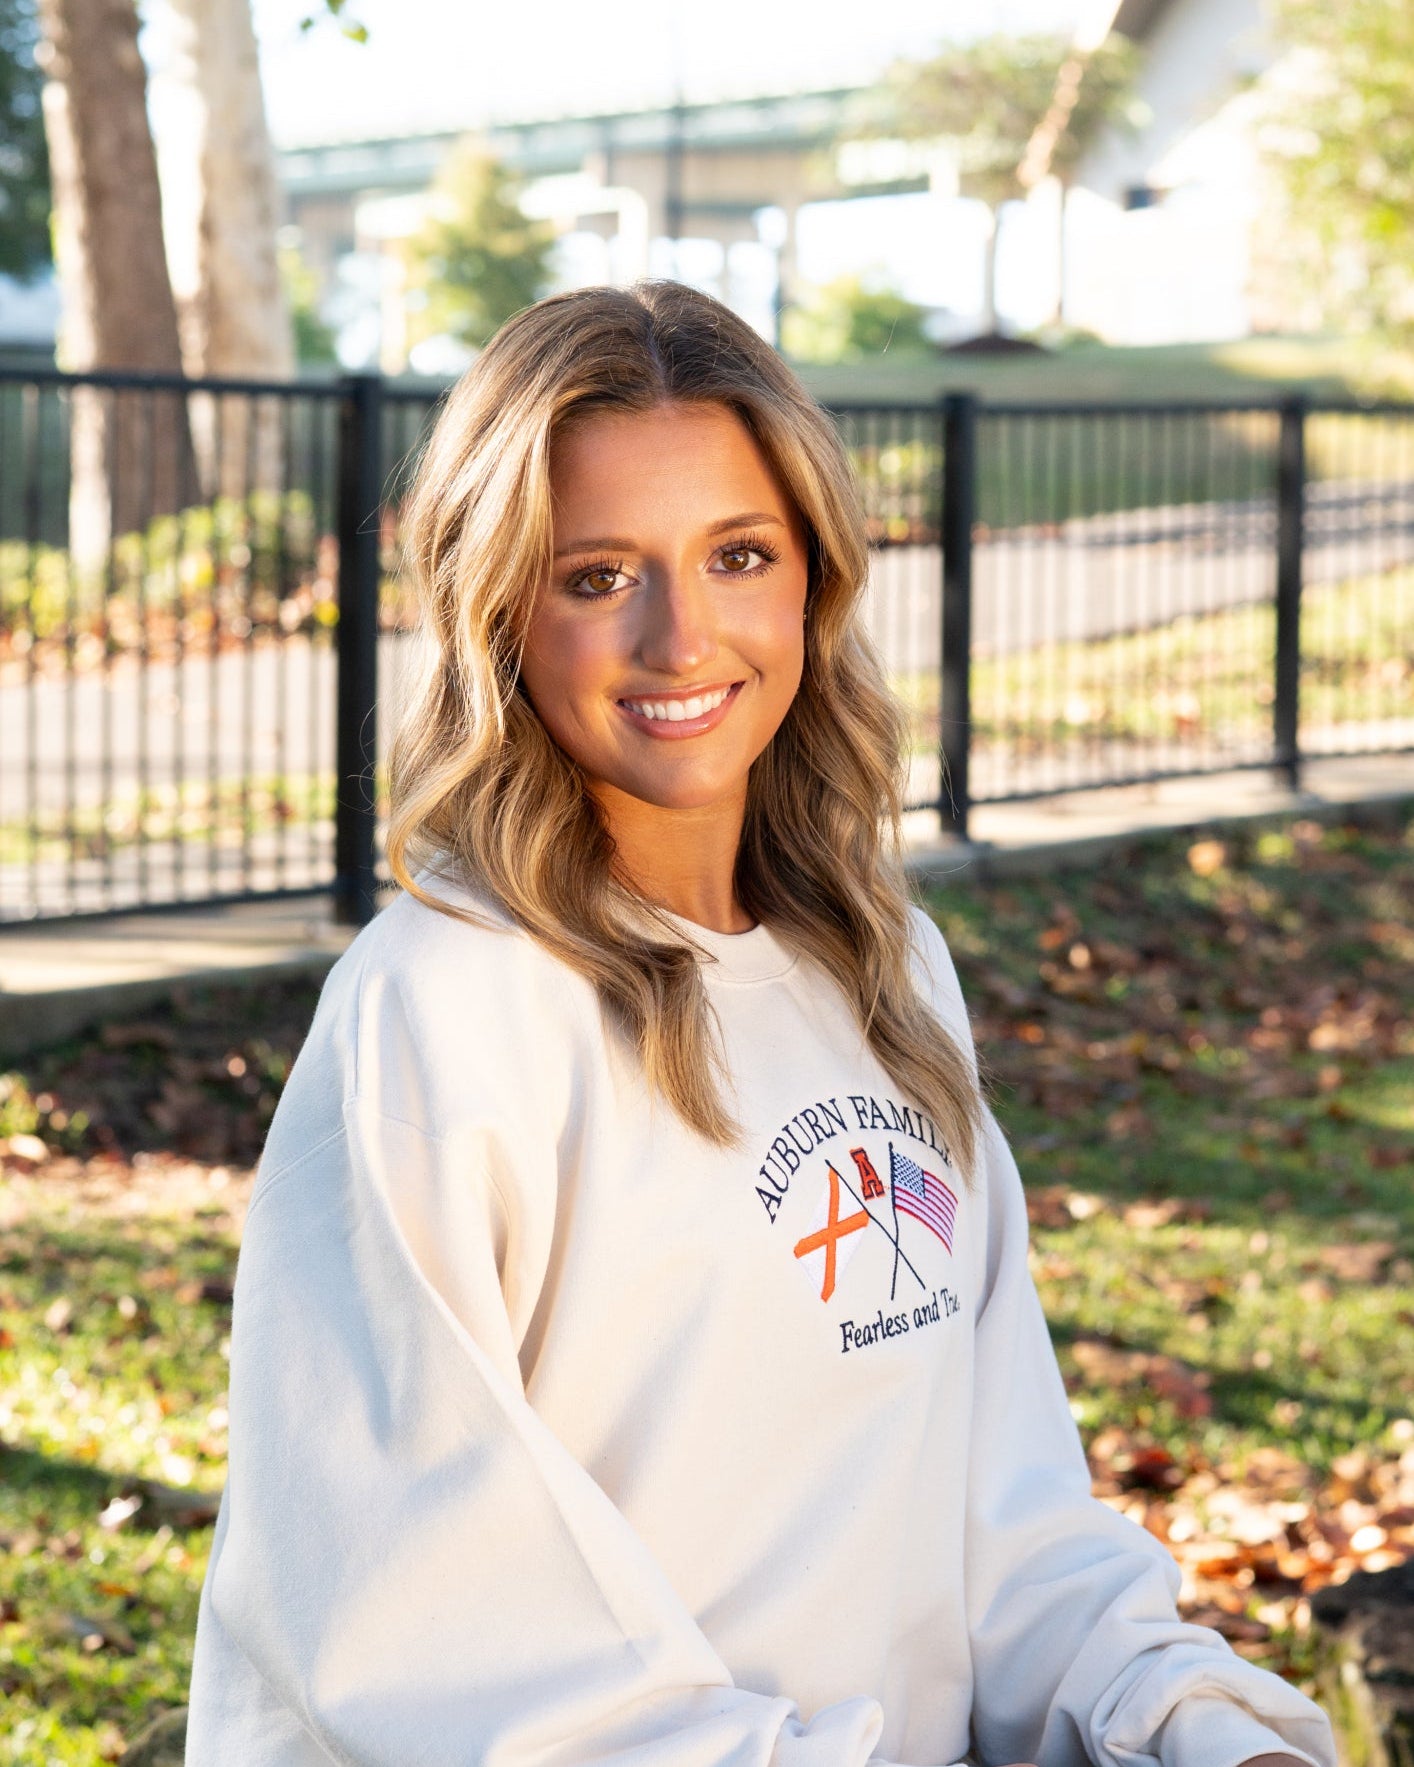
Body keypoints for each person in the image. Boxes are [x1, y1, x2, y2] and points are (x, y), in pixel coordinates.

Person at [185, 281, 1335, 1767]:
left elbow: (1001, 1516)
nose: (683, 638)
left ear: (812, 580)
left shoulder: (885, 974)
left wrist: (1194, 1732)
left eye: (739, 555)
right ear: (499, 608)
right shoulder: (449, 1008)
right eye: (598, 575)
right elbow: (426, 1627)